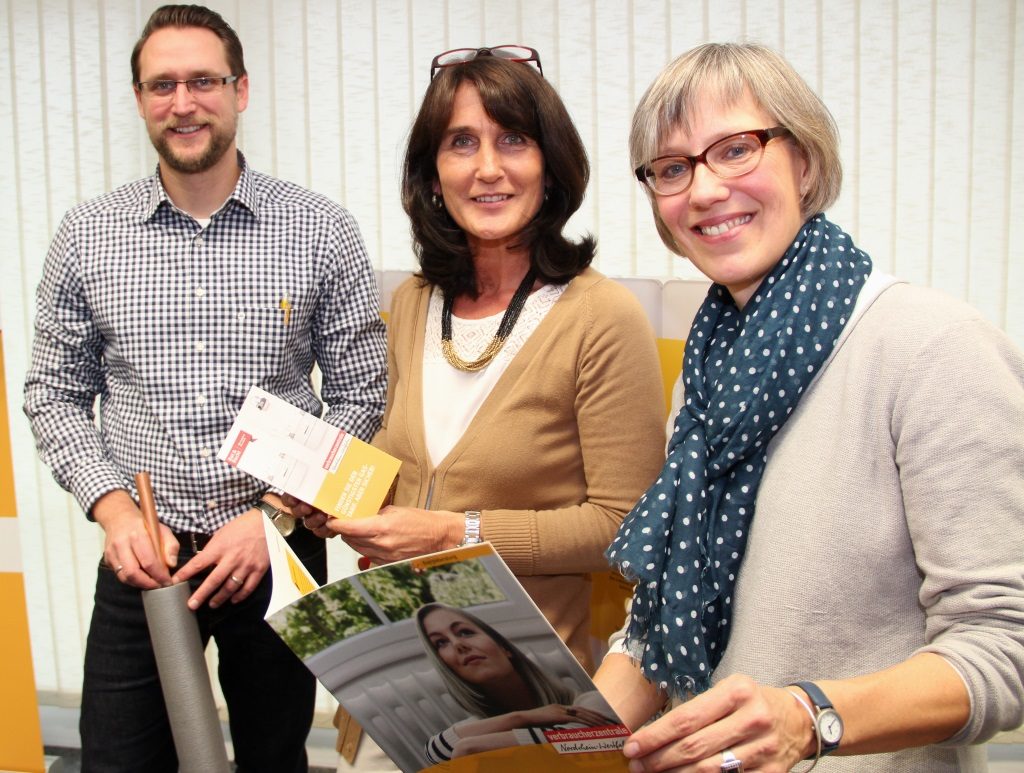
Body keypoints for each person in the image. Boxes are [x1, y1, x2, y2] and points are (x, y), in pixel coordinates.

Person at [593, 42, 1024, 773]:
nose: (702, 189)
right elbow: (658, 623)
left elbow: (1005, 644)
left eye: (735, 149)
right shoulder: (705, 372)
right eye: (672, 167)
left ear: (806, 161)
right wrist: (557, 742)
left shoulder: (932, 346)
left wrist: (810, 715)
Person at [22, 5, 386, 772]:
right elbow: (53, 390)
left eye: (202, 81)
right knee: (118, 760)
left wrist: (275, 515)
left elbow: (362, 396)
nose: (182, 102)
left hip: (277, 555)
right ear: (139, 99)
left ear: (241, 90)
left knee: (274, 759)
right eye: (162, 85)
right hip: (144, 560)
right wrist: (114, 509)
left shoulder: (321, 229)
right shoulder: (87, 235)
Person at [293, 45, 665, 771]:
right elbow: (401, 471)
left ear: (551, 165)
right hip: (394, 702)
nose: (487, 168)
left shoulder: (602, 317)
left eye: (512, 140)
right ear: (432, 174)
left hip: (534, 716)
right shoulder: (410, 302)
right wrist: (332, 500)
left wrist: (451, 532)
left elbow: (625, 527)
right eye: (461, 143)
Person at [416, 603, 618, 764]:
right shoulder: (481, 725)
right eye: (441, 643)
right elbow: (435, 751)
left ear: (506, 649)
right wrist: (522, 717)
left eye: (465, 632)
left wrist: (471, 747)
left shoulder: (588, 702)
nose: (458, 645)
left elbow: (591, 740)